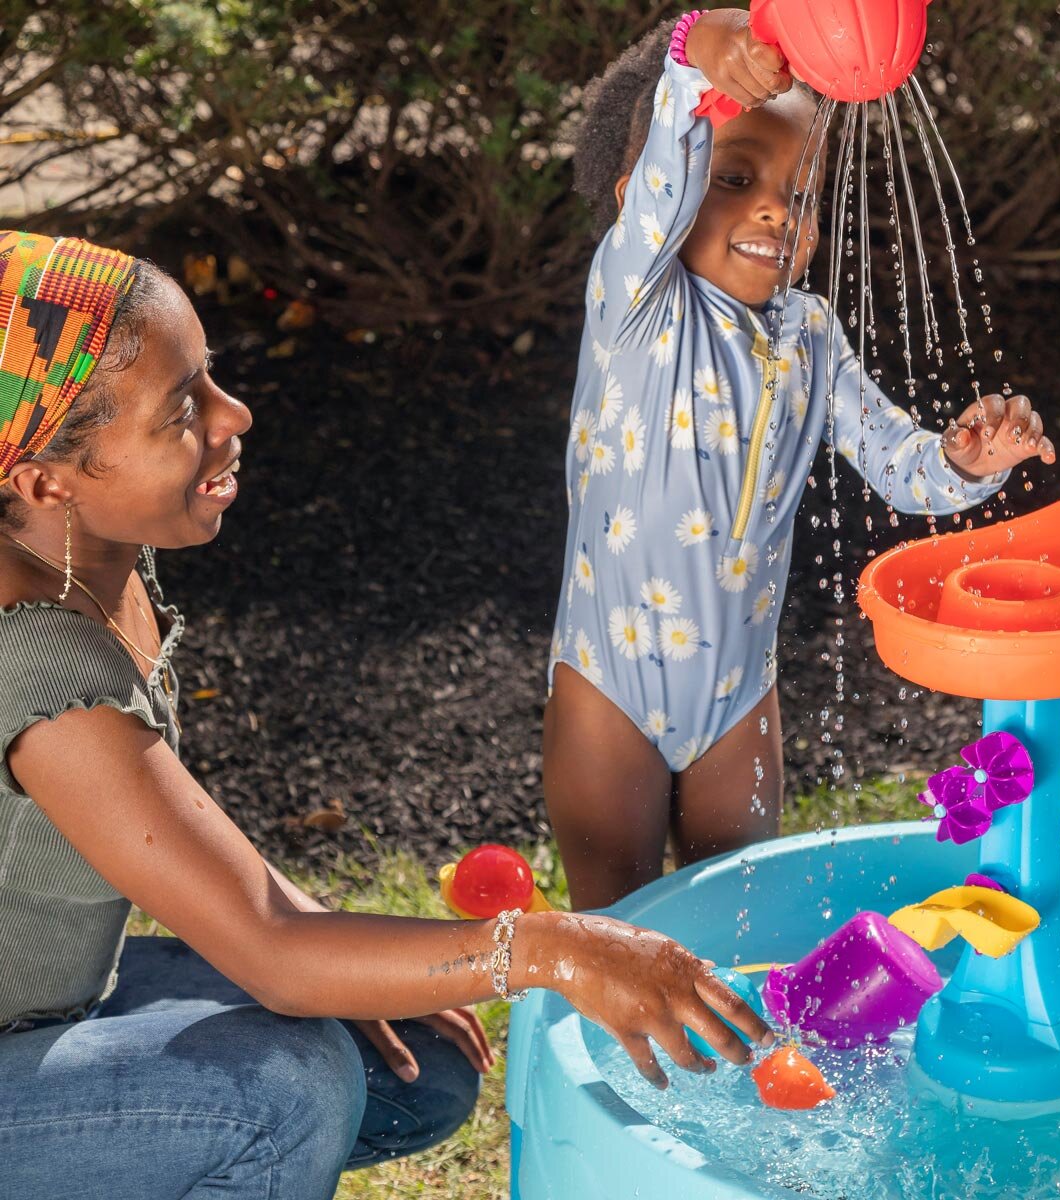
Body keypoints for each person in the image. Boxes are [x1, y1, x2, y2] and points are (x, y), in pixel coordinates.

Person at [0, 230, 771, 1200]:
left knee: (406, 1068)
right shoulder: (33, 655)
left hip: (42, 1010)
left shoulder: (91, 552)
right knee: (287, 1095)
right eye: (182, 410)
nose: (234, 413)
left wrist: (333, 949)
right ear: (44, 481)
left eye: (213, 376)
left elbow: (175, 841)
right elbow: (274, 952)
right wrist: (553, 947)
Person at [543, 10, 1058, 910]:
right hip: (608, 690)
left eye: (803, 192)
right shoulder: (638, 300)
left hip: (740, 695)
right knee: (614, 930)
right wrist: (700, 51)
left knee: (740, 915)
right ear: (644, 198)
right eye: (736, 178)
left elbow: (901, 465)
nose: (777, 208)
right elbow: (675, 140)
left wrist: (969, 459)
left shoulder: (810, 337)